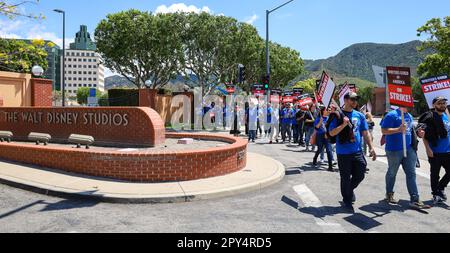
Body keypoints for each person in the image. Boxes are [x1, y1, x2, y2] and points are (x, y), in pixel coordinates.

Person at [328, 92, 377, 211]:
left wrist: (371, 147)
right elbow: (331, 133)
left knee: (360, 174)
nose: (354, 101)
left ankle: (348, 190)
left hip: (357, 151)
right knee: (345, 177)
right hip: (343, 152)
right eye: (352, 99)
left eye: (356, 99)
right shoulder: (337, 115)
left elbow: (365, 132)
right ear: (345, 100)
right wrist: (343, 124)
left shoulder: (359, 115)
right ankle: (347, 200)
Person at [381, 107, 429, 209]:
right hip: (394, 150)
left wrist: (419, 133)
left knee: (411, 173)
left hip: (409, 149)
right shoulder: (392, 115)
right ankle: (389, 194)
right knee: (392, 172)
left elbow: (410, 131)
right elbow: (384, 130)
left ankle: (415, 199)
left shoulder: (409, 116)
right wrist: (398, 129)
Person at [418, 96, 450, 204]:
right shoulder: (429, 117)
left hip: (448, 151)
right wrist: (427, 149)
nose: (442, 105)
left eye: (444, 103)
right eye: (439, 103)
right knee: (435, 174)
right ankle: (435, 193)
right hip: (435, 151)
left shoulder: (446, 116)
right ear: (434, 105)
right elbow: (424, 135)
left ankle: (440, 188)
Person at [313, 105, 336, 172]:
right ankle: (315, 159)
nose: (328, 111)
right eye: (327, 110)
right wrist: (320, 122)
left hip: (327, 136)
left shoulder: (330, 118)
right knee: (320, 149)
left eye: (329, 110)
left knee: (329, 150)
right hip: (320, 136)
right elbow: (316, 128)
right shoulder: (319, 118)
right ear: (323, 111)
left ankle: (330, 166)